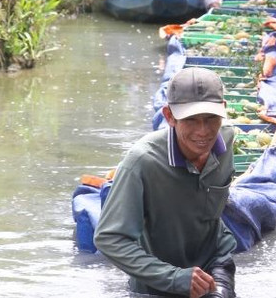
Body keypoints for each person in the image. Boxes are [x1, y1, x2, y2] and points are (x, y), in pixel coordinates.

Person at [94, 67, 237, 298]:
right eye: (190, 120)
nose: (203, 131)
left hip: (215, 265)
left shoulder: (227, 139)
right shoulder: (141, 162)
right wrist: (173, 278)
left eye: (211, 118)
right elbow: (110, 238)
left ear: (224, 111)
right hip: (158, 286)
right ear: (169, 116)